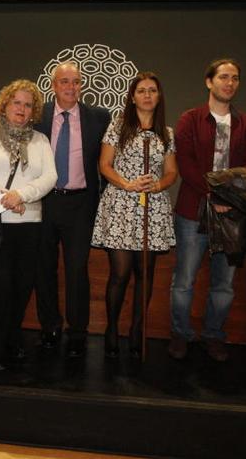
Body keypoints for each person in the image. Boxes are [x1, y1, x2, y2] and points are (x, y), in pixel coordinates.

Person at [169, 58, 246, 362]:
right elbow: (186, 163)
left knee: (224, 285)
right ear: (209, 82)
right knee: (184, 282)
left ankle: (213, 335)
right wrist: (213, 192)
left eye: (235, 78)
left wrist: (230, 197)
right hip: (193, 211)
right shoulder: (190, 119)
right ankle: (181, 335)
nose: (229, 83)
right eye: (223, 77)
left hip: (232, 214)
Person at [0, 79, 56, 371]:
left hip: (29, 225)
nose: (22, 108)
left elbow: (50, 178)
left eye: (28, 104)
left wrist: (22, 195)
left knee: (22, 286)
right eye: (17, 102)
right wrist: (4, 198)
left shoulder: (40, 141)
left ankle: (12, 338)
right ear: (5, 104)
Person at [92, 72, 178, 359]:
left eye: (152, 90)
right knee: (120, 273)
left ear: (159, 95)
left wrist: (158, 184)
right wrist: (127, 183)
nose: (147, 95)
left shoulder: (166, 133)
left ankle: (137, 329)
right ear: (132, 96)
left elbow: (171, 172)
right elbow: (104, 165)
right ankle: (113, 327)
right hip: (120, 206)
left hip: (152, 210)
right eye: (141, 90)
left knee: (146, 273)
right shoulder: (118, 127)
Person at [34, 61, 111, 357]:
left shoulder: (99, 118)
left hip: (81, 203)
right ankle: (49, 326)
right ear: (53, 86)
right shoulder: (38, 116)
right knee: (44, 268)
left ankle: (77, 331)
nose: (70, 87)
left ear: (82, 85)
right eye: (64, 81)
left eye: (76, 81)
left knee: (77, 270)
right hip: (45, 200)